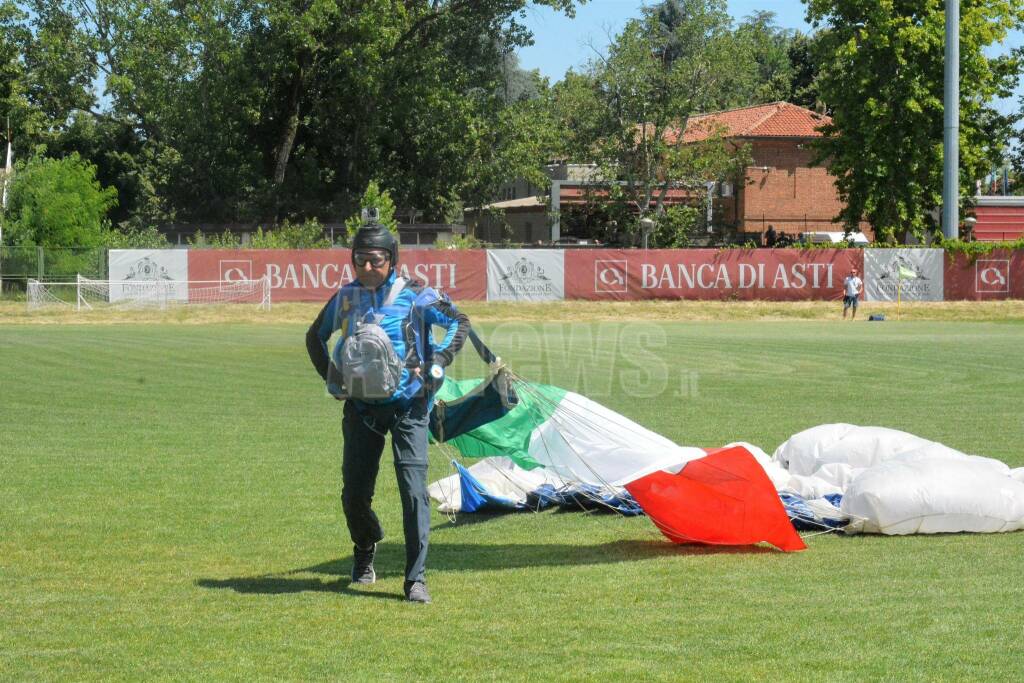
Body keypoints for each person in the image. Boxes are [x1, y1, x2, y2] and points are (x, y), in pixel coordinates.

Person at [306, 219, 470, 604]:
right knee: (354, 495)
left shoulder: (417, 296)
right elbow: (314, 336)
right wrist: (333, 379)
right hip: (361, 410)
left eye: (375, 261)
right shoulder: (345, 298)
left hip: (409, 407)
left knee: (413, 493)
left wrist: (441, 359)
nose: (366, 268)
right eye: (359, 260)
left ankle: (415, 579)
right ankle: (366, 546)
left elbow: (459, 321)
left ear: (391, 260)